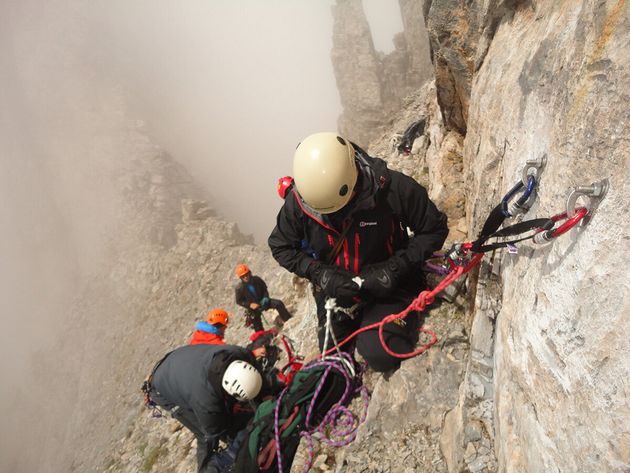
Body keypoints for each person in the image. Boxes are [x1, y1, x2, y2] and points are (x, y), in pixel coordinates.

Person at [268, 132, 449, 373]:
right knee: (331, 370)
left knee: (380, 352)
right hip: (337, 291)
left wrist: (395, 268)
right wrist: (321, 274)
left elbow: (434, 229)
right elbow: (281, 246)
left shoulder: (393, 190)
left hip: (391, 286)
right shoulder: (300, 202)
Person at [146, 344, 267, 473]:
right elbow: (213, 430)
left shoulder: (237, 354)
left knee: (229, 414)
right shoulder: (205, 400)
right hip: (162, 388)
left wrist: (265, 394)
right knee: (204, 435)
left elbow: (252, 366)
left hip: (176, 363)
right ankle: (205, 469)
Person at [234, 264, 293, 331]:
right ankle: (262, 336)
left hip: (263, 301)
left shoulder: (257, 280)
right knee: (256, 324)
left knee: (278, 303)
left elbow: (264, 289)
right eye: (243, 276)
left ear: (249, 273)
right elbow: (239, 301)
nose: (245, 277)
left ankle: (287, 319)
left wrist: (266, 297)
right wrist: (250, 305)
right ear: (240, 278)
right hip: (253, 309)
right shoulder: (239, 288)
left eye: (246, 274)